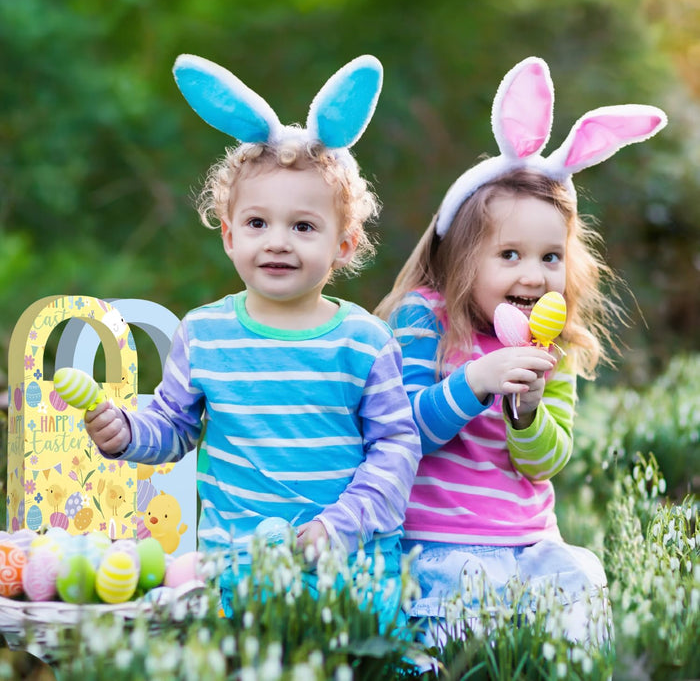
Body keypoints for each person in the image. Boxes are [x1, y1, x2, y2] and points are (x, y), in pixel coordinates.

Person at [84, 53, 421, 622]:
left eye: (304, 226)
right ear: (229, 236)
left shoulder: (364, 341)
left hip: (348, 572)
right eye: (258, 223)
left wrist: (342, 525)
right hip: (237, 574)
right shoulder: (206, 334)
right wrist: (124, 433)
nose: (278, 242)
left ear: (344, 244)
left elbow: (396, 448)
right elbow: (173, 427)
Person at [375, 56, 667, 646]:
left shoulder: (548, 344)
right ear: (461, 257)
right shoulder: (425, 317)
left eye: (549, 257)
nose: (533, 275)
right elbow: (402, 433)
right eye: (509, 255)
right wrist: (476, 379)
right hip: (439, 542)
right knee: (469, 613)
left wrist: (527, 412)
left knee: (580, 577)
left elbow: (544, 462)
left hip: (531, 540)